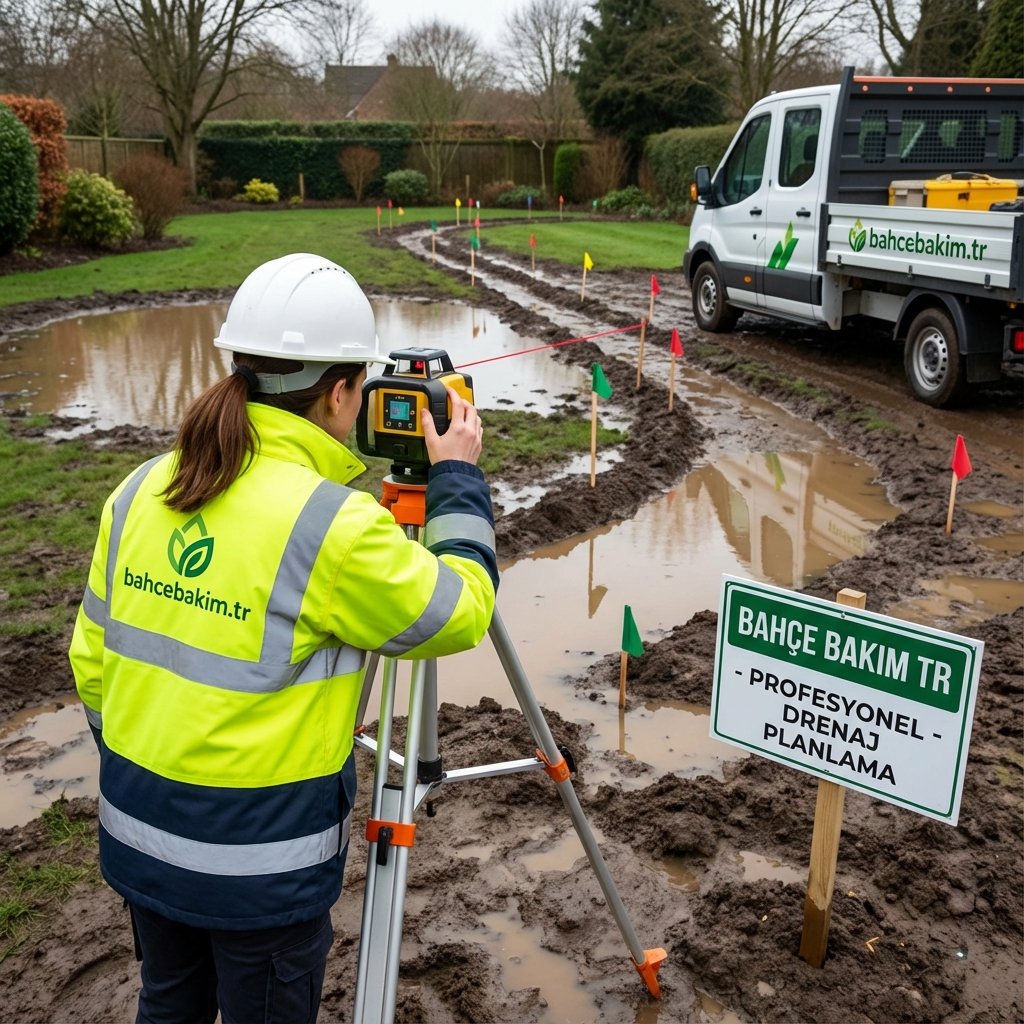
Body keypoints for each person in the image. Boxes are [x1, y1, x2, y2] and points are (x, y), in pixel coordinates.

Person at [69, 252, 498, 1024]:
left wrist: (161, 787)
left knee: (168, 1001)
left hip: (139, 837)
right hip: (260, 875)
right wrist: (458, 482)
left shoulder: (140, 489)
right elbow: (458, 611)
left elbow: (91, 665)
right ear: (340, 392)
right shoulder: (331, 524)